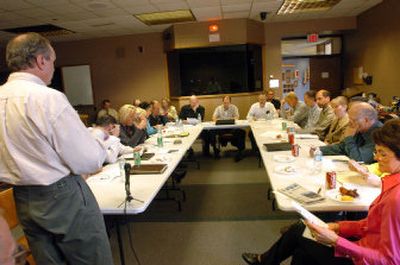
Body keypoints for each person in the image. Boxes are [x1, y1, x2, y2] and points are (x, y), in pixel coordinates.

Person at [0, 33, 113, 264]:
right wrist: (98, 137)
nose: (53, 67)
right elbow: (89, 160)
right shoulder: (48, 98)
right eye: (52, 60)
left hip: (22, 196)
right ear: (41, 60)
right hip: (62, 196)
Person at [241, 119, 400, 265]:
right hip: (364, 244)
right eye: (376, 152)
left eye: (383, 154)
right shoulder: (391, 182)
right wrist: (337, 226)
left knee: (299, 234)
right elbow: (370, 225)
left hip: (361, 258)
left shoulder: (395, 199)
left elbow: (388, 260)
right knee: (303, 238)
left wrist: (336, 241)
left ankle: (264, 261)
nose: (377, 158)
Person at [318, 102, 382, 164]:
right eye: (349, 119)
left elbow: (359, 160)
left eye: (354, 120)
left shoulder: (379, 134)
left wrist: (349, 138)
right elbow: (342, 147)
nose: (350, 123)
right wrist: (318, 150)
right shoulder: (360, 128)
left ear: (366, 120)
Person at [212, 96, 246, 162]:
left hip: (232, 128)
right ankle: (215, 151)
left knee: (241, 132)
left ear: (230, 102)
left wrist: (228, 120)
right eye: (224, 102)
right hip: (221, 128)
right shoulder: (218, 108)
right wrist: (219, 120)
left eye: (227, 102)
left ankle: (240, 152)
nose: (226, 104)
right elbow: (213, 118)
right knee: (212, 132)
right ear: (222, 102)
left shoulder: (234, 107)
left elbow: (237, 117)